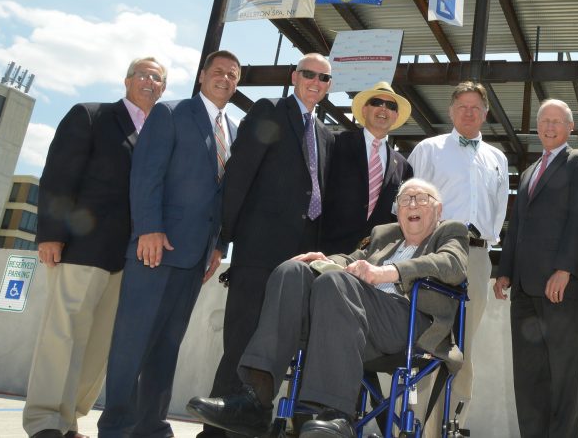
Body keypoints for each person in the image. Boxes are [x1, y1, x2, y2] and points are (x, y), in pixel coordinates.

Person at [186, 178, 469, 438]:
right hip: (351, 321)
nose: (412, 205)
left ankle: (334, 412)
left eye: (421, 198)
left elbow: (452, 265)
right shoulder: (385, 235)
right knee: (292, 271)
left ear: (438, 209)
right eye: (405, 199)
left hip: (407, 323)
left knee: (335, 282)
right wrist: (325, 258)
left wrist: (390, 272)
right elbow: (351, 259)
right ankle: (256, 400)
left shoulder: (450, 232)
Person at [97, 50, 240, 438]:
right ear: (202, 76)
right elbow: (147, 174)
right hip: (154, 248)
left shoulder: (235, 129)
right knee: (133, 341)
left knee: (167, 345)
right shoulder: (172, 113)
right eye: (218, 72)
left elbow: (222, 195)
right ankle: (116, 427)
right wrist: (148, 228)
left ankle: (151, 427)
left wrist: (218, 246)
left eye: (233, 75)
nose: (225, 79)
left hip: (195, 257)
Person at [23, 58, 166, 438]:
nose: (150, 81)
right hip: (82, 247)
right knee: (63, 334)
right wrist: (51, 234)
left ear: (164, 89)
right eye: (143, 74)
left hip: (129, 259)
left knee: (100, 344)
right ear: (127, 81)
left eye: (158, 78)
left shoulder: (160, 133)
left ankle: (68, 420)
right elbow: (58, 173)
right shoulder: (91, 115)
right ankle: (44, 421)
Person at [200, 54, 336, 437]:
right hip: (259, 252)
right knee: (241, 342)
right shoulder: (269, 111)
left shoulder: (325, 135)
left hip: (301, 264)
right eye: (308, 74)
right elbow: (240, 174)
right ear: (294, 77)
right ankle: (214, 432)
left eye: (323, 77)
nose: (315, 81)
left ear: (328, 85)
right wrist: (222, 240)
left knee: (275, 352)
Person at [493, 99, 578, 438]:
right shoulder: (527, 172)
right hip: (524, 291)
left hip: (560, 288)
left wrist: (565, 269)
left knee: (562, 377)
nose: (549, 127)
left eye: (557, 121)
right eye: (544, 121)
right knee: (528, 378)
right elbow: (517, 225)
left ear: (570, 128)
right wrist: (504, 270)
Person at [407, 81, 508, 426]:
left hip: (478, 256)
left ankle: (452, 424)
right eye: (462, 106)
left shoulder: (497, 158)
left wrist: (490, 247)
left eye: (475, 107)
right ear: (450, 111)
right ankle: (417, 425)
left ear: (485, 113)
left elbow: (499, 211)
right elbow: (409, 203)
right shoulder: (428, 149)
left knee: (464, 342)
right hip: (435, 250)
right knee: (429, 337)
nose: (469, 112)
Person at [319, 81, 414, 254]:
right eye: (377, 103)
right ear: (364, 110)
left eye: (391, 106)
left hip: (372, 257)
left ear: (395, 116)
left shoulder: (403, 165)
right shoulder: (334, 143)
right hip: (326, 248)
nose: (383, 109)